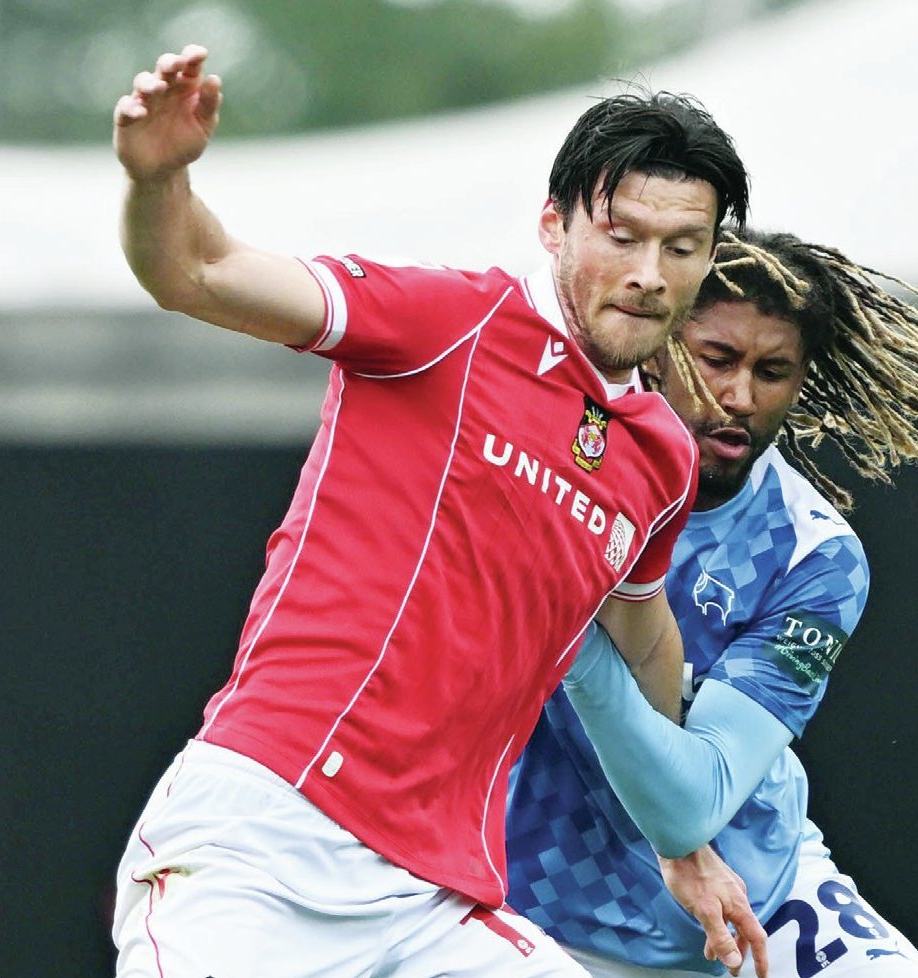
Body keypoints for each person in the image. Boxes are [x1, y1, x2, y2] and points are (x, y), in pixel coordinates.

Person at [111, 44, 763, 978]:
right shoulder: (445, 323)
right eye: (621, 235)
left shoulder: (659, 453)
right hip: (264, 843)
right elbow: (195, 271)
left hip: (431, 900)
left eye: (680, 247)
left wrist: (681, 839)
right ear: (554, 224)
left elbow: (644, 644)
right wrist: (159, 177)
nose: (648, 272)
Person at [505, 227, 918, 977]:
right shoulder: (547, 471)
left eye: (772, 371)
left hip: (756, 899)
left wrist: (574, 611)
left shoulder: (812, 554)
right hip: (539, 912)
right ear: (657, 345)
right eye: (716, 359)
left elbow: (693, 803)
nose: (737, 397)